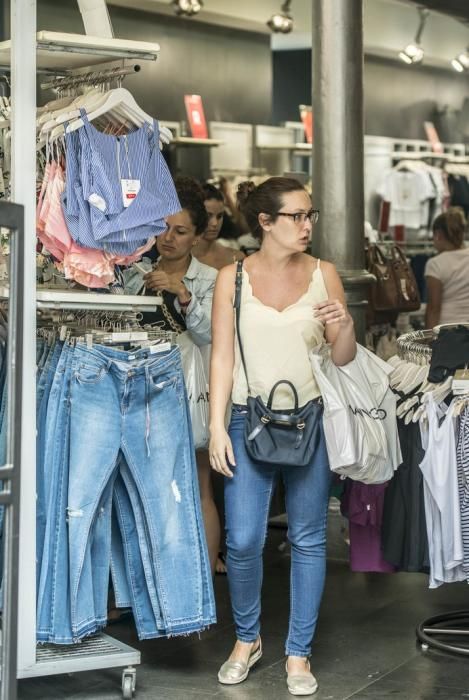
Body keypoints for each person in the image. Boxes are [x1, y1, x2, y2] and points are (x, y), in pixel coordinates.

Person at [209, 177, 357, 696]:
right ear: (265, 222)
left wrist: (345, 326)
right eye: (295, 216)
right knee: (244, 540)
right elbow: (222, 356)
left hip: (310, 418)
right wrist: (215, 425)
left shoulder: (324, 274)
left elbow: (342, 358)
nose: (306, 225)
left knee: (309, 538)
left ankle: (299, 651)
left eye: (310, 215)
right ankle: (247, 640)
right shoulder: (232, 278)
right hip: (247, 416)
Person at [123, 177, 221, 576]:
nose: (168, 238)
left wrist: (184, 295)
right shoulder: (134, 273)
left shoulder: (210, 280)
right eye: (163, 228)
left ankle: (203, 574)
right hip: (142, 388)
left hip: (190, 389)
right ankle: (155, 576)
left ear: (197, 237)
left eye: (180, 231)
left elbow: (209, 335)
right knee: (145, 484)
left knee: (199, 484)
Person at [425, 207, 469, 329]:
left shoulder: (435, 264)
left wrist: (430, 340)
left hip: (448, 329)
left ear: (438, 235)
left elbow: (434, 308)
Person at [193, 183, 244, 269]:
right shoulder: (178, 257)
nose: (215, 223)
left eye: (219, 216)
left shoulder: (235, 258)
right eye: (208, 216)